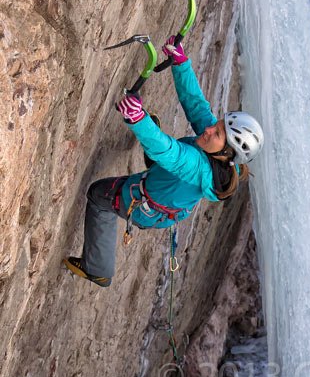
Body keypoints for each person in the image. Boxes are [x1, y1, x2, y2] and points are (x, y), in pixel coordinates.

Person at [63, 37, 264, 287]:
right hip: (166, 188)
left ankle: (97, 269)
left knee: (98, 194)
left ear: (227, 154)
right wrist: (180, 63)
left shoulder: (198, 165)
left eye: (219, 133)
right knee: (163, 150)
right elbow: (197, 107)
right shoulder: (216, 147)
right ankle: (151, 146)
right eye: (218, 125)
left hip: (143, 205)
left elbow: (172, 154)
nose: (211, 129)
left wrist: (138, 119)